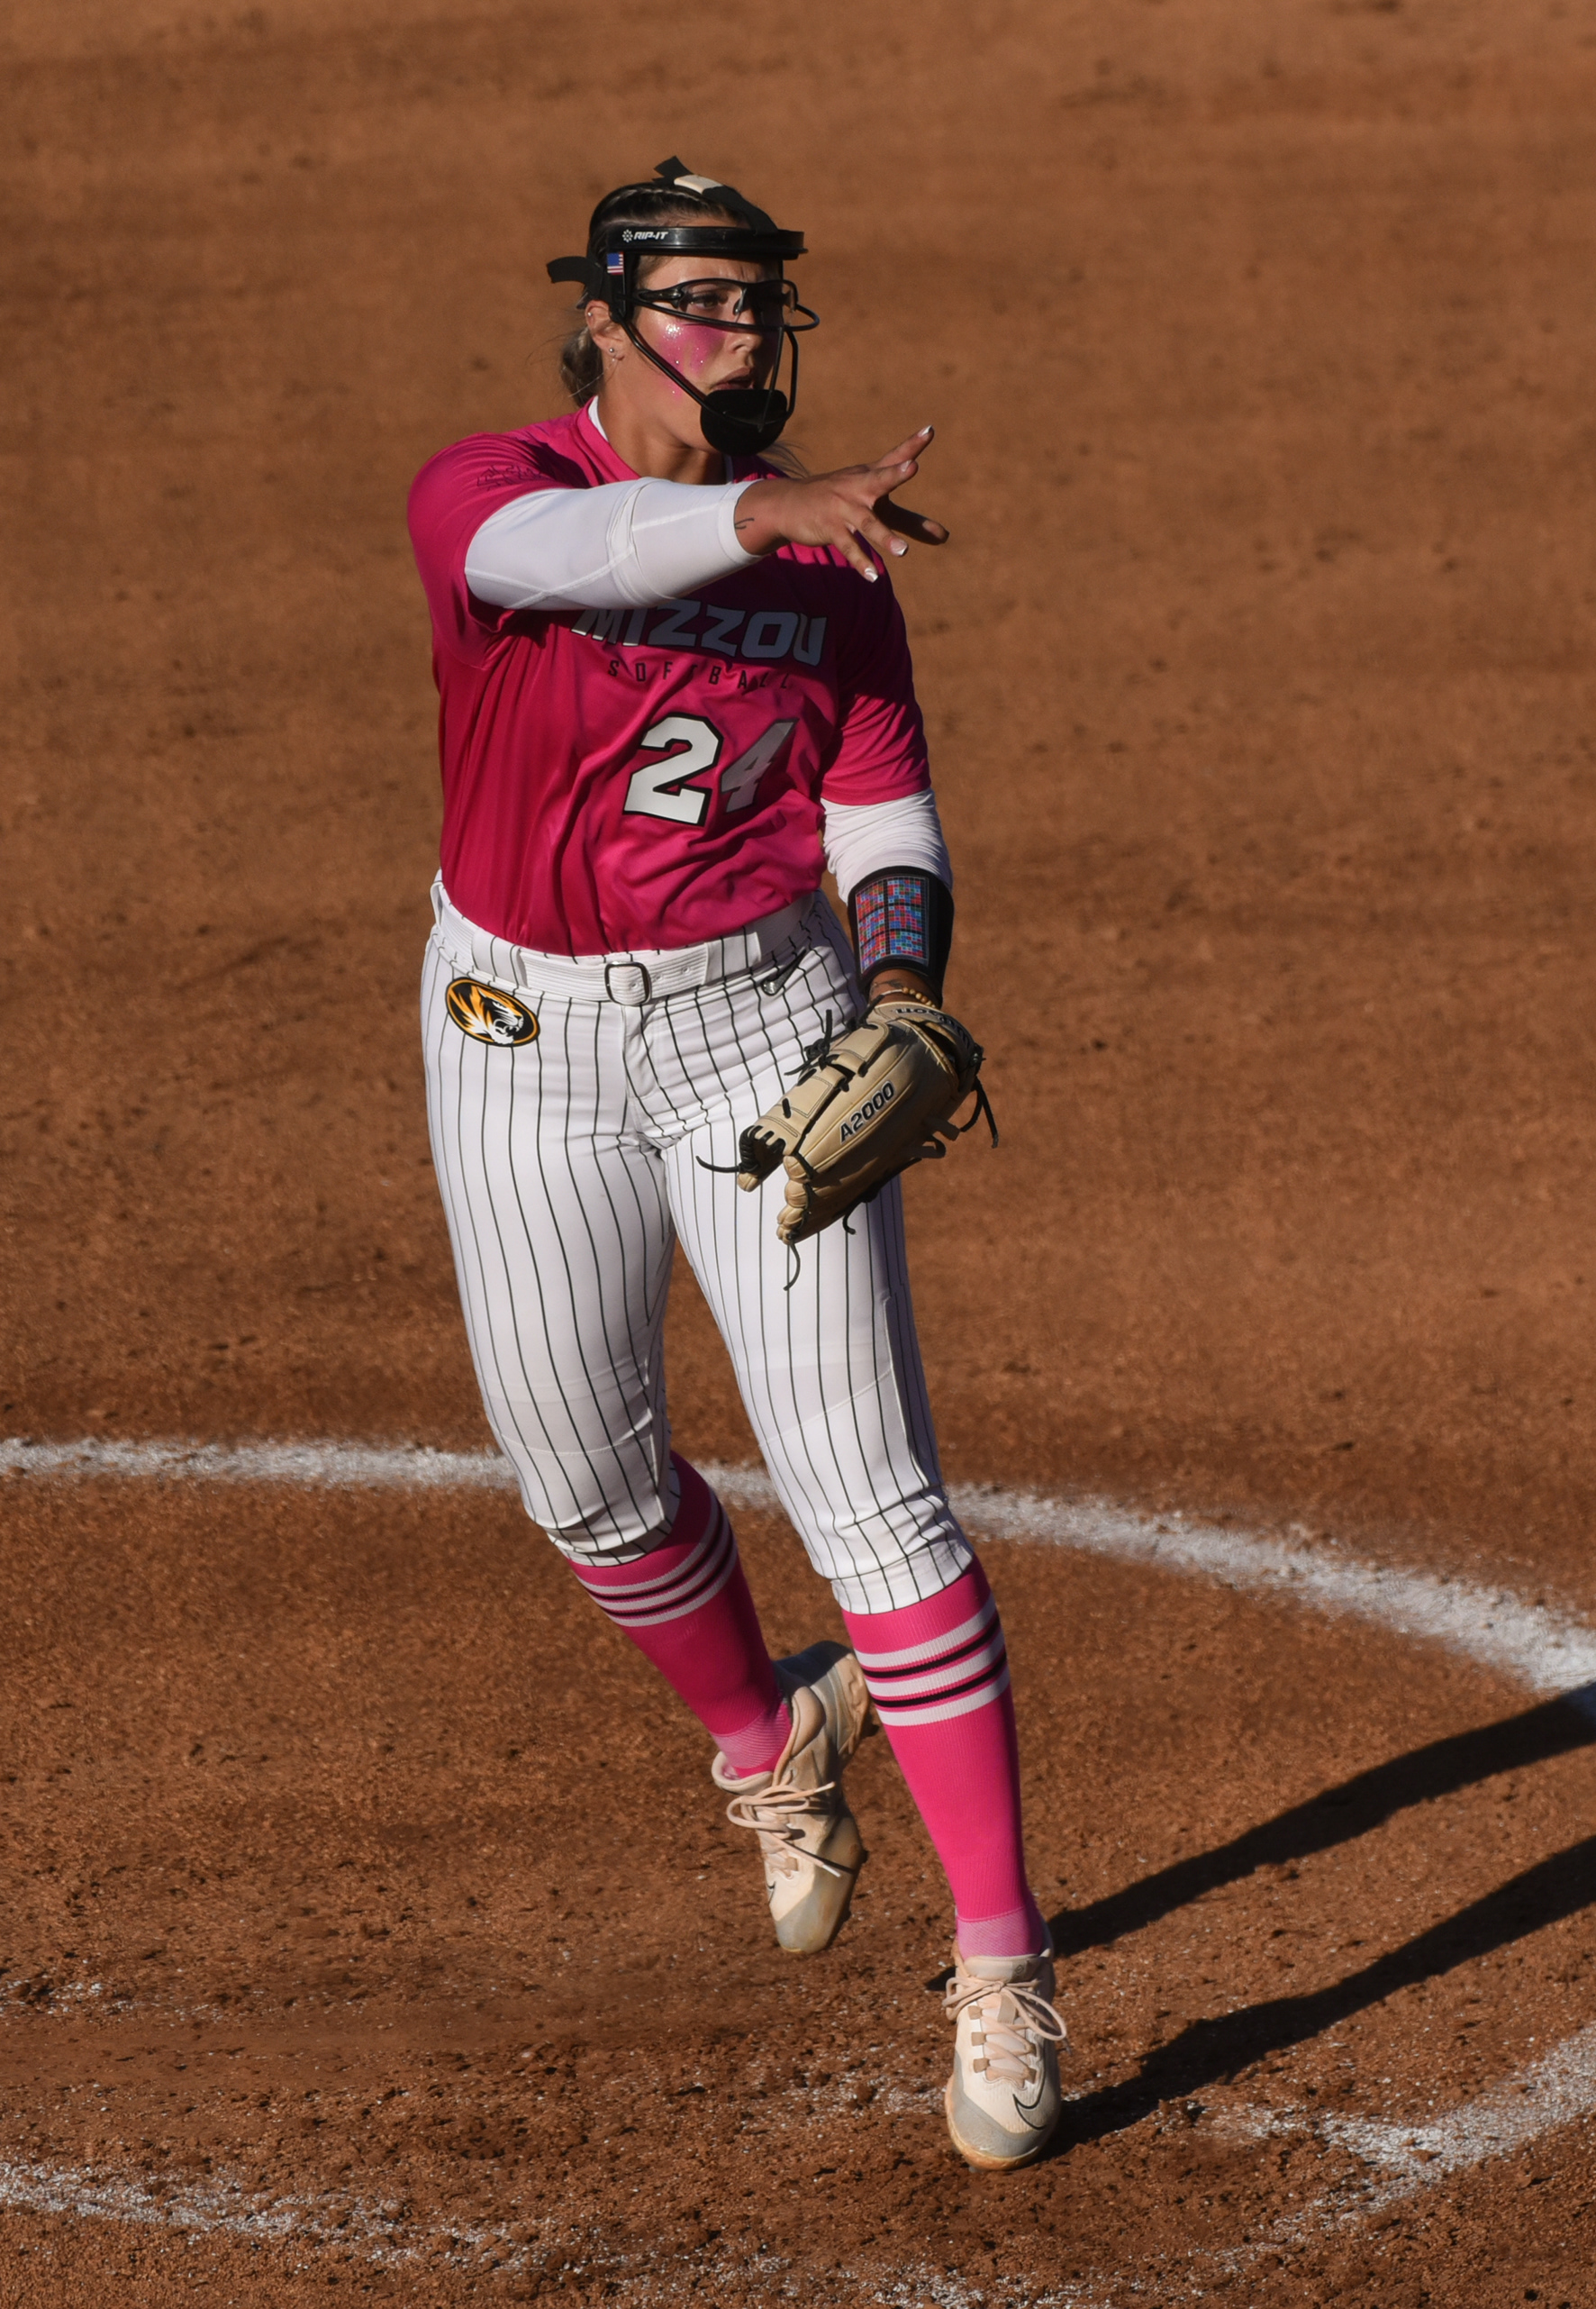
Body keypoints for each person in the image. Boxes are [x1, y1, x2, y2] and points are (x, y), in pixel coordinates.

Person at [402, 159, 1063, 2170]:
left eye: (768, 309)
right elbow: (575, 555)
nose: (750, 342)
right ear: (602, 321)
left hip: (756, 1031)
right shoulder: (488, 491)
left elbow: (885, 814)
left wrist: (900, 975)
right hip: (518, 1040)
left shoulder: (841, 574)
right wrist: (771, 510)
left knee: (878, 1504)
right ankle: (768, 1744)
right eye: (704, 304)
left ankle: (1004, 1962)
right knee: (584, 1479)